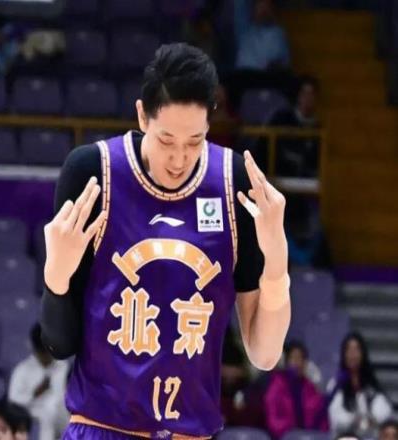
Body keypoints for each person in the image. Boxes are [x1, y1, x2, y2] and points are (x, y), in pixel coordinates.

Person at [41, 42, 291, 439]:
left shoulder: (235, 184)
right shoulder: (93, 173)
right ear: (143, 115)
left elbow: (264, 353)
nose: (179, 159)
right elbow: (59, 344)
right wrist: (56, 277)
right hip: (103, 428)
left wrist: (277, 263)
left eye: (194, 141)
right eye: (166, 141)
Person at [8, 324, 71, 440]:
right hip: (34, 418)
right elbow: (13, 400)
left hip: (62, 417)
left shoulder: (63, 368)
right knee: (47, 411)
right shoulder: (22, 370)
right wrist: (34, 394)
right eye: (42, 353)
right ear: (35, 349)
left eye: (48, 352)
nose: (46, 357)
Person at [328, 332, 393, 439]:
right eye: (349, 350)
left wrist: (373, 419)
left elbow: (385, 410)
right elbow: (334, 415)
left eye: (356, 349)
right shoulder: (336, 383)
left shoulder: (370, 382)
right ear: (344, 354)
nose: (353, 354)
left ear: (363, 353)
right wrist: (353, 420)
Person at [264, 341, 328, 439]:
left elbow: (321, 419)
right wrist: (292, 432)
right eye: (293, 358)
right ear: (286, 362)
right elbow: (273, 420)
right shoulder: (276, 387)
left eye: (300, 358)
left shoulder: (310, 388)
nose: (297, 363)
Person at [271, 75, 320, 178]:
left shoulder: (318, 128)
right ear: (298, 96)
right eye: (304, 93)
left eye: (311, 94)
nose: (308, 98)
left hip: (306, 180)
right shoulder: (281, 119)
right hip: (280, 176)